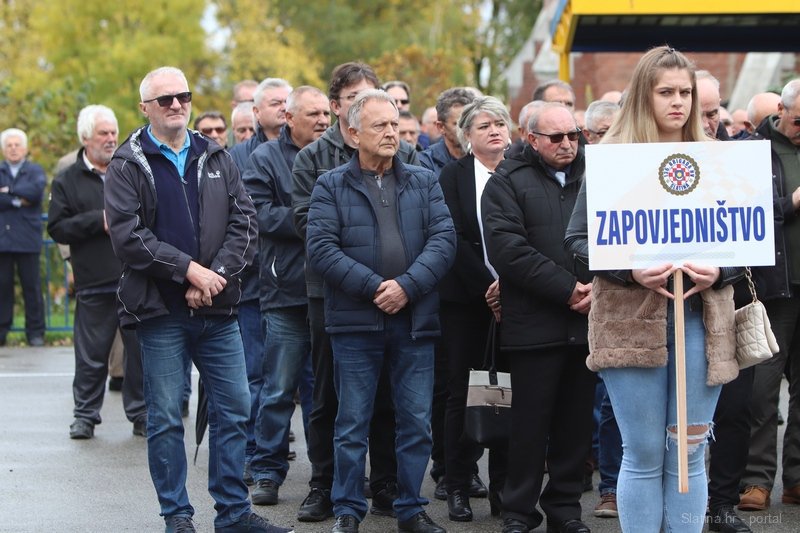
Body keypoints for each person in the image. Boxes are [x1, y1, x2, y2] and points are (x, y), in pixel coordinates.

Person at [104, 66, 290, 533]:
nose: (176, 104)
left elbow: (246, 224)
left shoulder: (215, 155)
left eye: (182, 96)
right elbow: (128, 236)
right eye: (164, 99)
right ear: (144, 108)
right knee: (167, 418)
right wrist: (188, 269)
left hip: (218, 310)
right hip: (160, 312)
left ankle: (233, 514)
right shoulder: (127, 163)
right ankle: (177, 516)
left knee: (235, 409)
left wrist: (214, 277)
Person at [564, 46, 743, 533]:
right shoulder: (613, 161)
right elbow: (577, 240)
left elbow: (746, 240)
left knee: (689, 453)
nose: (678, 102)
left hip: (701, 322)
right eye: (666, 92)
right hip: (629, 323)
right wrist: (629, 271)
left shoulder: (718, 161)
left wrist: (720, 271)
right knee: (642, 453)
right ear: (644, 95)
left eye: (685, 92)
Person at [306, 88, 455, 533]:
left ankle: (410, 509)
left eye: (394, 124)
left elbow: (444, 241)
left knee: (416, 423)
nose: (392, 132)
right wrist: (376, 288)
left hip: (414, 322)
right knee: (352, 423)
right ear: (353, 133)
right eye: (380, 125)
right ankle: (348, 509)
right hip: (355, 325)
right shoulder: (330, 184)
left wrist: (407, 287)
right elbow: (321, 249)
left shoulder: (423, 179)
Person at [292, 62, 417, 523]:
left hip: (399, 295)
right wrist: (368, 274)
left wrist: (400, 281)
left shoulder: (407, 155)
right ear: (339, 108)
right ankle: (324, 484)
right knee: (330, 395)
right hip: (334, 294)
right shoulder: (313, 159)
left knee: (387, 396)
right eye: (354, 99)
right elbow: (308, 225)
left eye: (375, 99)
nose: (367, 108)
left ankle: (385, 483)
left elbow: (423, 223)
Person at [482, 102, 594, 533]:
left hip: (587, 322)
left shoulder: (596, 174)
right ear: (531, 138)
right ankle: (518, 511)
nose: (568, 144)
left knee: (574, 427)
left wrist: (597, 289)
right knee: (527, 427)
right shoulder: (507, 181)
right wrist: (568, 289)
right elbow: (508, 250)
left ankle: (565, 511)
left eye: (574, 135)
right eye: (556, 137)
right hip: (534, 325)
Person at [242, 86, 331, 506]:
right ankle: (267, 472)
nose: (323, 121)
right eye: (313, 114)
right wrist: (317, 218)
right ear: (289, 118)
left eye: (326, 113)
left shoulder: (339, 154)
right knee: (277, 390)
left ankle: (326, 476)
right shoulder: (264, 158)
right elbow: (258, 215)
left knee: (324, 394)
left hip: (331, 291)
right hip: (287, 292)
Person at [47, 104, 147, 440]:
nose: (111, 139)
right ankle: (85, 416)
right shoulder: (67, 180)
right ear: (85, 138)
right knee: (91, 356)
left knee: (138, 353)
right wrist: (97, 220)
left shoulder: (130, 171)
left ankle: (141, 414)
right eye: (103, 133)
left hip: (135, 278)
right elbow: (57, 228)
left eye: (114, 132)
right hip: (94, 282)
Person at [438, 96, 512, 523]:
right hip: (466, 301)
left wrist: (510, 287)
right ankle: (458, 484)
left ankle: (503, 490)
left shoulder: (520, 170)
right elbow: (453, 237)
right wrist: (490, 288)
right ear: (466, 135)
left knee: (507, 391)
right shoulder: (453, 175)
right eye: (484, 126)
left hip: (519, 300)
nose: (494, 130)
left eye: (499, 123)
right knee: (462, 392)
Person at [738, 78, 800, 514]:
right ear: (781, 110)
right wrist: (792, 203)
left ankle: (796, 479)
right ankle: (756, 479)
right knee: (762, 391)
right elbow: (744, 214)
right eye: (799, 120)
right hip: (774, 289)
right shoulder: (752, 151)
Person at [0, 128, 46, 347]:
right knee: (2, 287)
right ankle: (2, 330)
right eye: (9, 145)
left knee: (32, 287)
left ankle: (35, 332)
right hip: (3, 239)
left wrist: (8, 191)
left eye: (17, 144)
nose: (13, 149)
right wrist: (18, 198)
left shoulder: (35, 170)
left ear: (25, 148)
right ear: (3, 149)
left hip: (27, 237)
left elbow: (36, 193)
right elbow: (25, 195)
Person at [230, 78, 292, 171]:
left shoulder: (306, 147)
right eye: (276, 103)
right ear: (257, 111)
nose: (284, 107)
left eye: (288, 102)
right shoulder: (238, 154)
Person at [418, 88, 475, 177]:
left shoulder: (488, 157)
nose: (466, 129)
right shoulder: (425, 162)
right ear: (441, 127)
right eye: (458, 124)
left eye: (470, 123)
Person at [228, 80, 259, 147]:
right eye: (250, 102)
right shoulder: (224, 141)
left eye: (258, 102)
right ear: (234, 106)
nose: (255, 106)